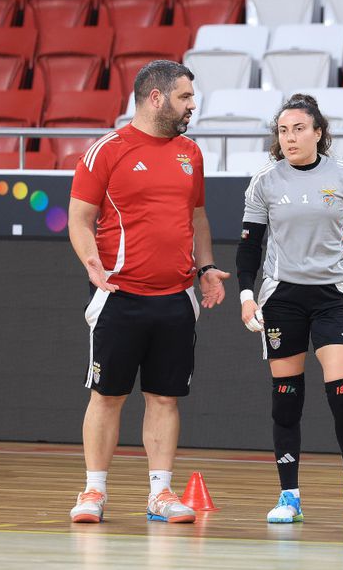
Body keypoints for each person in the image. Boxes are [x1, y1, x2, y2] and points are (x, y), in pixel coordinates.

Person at [66, 60, 229, 524]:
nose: (192, 105)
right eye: (184, 97)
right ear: (156, 98)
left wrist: (207, 268)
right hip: (119, 296)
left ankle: (160, 494)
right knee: (107, 395)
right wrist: (90, 261)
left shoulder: (190, 153)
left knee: (164, 398)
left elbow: (197, 217)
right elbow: (79, 218)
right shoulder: (106, 151)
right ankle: (94, 492)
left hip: (176, 299)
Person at [236, 94, 343, 523]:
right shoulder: (265, 182)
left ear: (318, 133)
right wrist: (246, 296)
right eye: (283, 130)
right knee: (286, 398)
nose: (290, 138)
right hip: (281, 297)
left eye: (299, 129)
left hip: (332, 296)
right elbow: (249, 247)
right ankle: (289, 496)